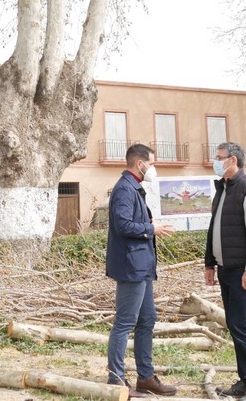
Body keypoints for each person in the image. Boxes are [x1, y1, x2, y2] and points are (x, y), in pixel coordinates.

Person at [106, 144, 177, 397]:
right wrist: (150, 229)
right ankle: (115, 380)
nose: (154, 168)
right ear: (140, 164)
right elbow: (123, 225)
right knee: (125, 323)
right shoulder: (125, 189)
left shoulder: (134, 188)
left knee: (147, 320)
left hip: (142, 266)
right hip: (131, 267)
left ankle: (145, 378)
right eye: (152, 163)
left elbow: (132, 222)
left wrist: (149, 224)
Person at [205, 142, 246, 401]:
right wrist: (210, 263)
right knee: (234, 324)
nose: (215, 162)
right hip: (225, 269)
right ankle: (244, 381)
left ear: (232, 160)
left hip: (244, 271)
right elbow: (214, 229)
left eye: (219, 158)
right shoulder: (222, 189)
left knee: (242, 325)